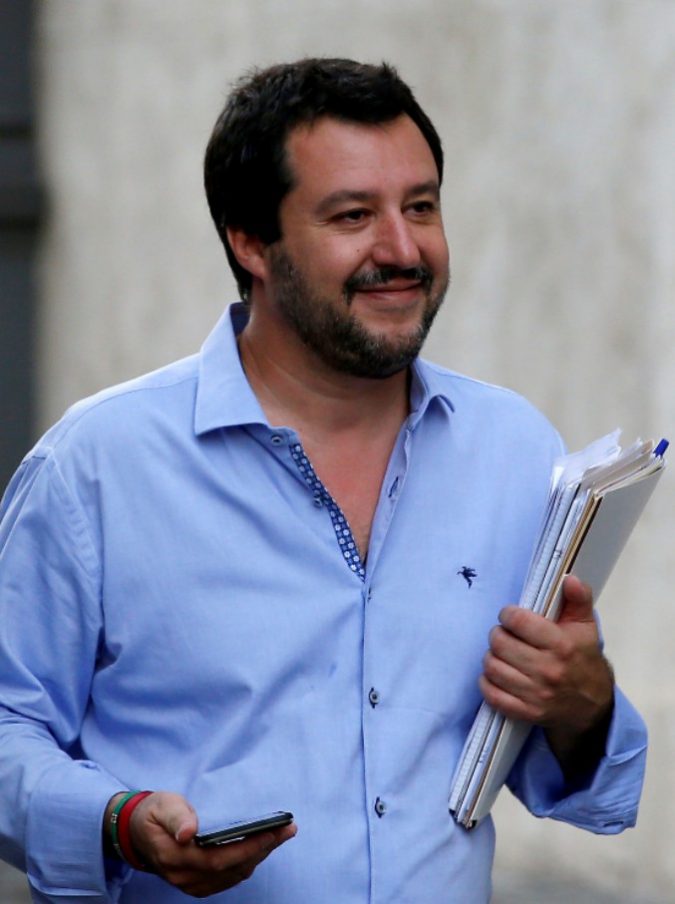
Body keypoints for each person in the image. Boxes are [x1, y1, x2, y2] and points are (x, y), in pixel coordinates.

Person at [0, 58, 646, 903]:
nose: (403, 250)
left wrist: (583, 704)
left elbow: (579, 774)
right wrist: (116, 823)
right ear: (250, 242)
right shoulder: (95, 466)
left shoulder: (514, 450)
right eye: (353, 216)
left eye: (421, 206)